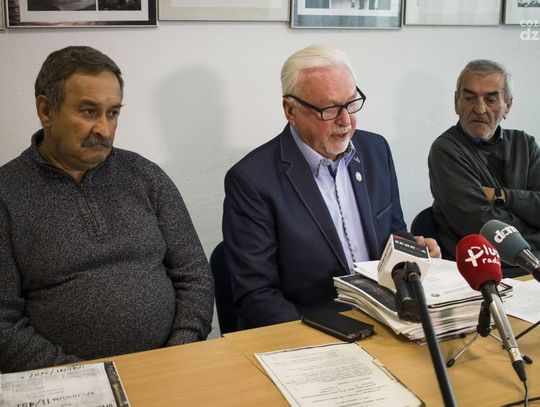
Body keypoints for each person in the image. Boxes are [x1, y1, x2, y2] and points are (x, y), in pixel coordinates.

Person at [0, 46, 214, 373]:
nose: (104, 128)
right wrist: (87, 378)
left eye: (112, 113)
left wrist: (181, 348)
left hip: (171, 368)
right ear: (46, 110)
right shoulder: (7, 194)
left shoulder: (145, 176)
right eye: (88, 112)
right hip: (66, 384)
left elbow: (194, 273)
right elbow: (3, 325)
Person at [223, 43, 440, 329]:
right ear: (290, 110)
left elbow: (392, 232)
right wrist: (333, 336)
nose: (346, 121)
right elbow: (257, 295)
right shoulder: (252, 180)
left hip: (385, 319)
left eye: (351, 104)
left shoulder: (375, 151)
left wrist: (414, 250)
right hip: (310, 329)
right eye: (329, 109)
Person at [428, 59, 540, 274]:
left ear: (508, 106)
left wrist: (503, 196)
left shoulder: (525, 144)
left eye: (490, 99)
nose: (479, 109)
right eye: (469, 98)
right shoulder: (446, 150)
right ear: (456, 102)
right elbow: (482, 226)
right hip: (485, 274)